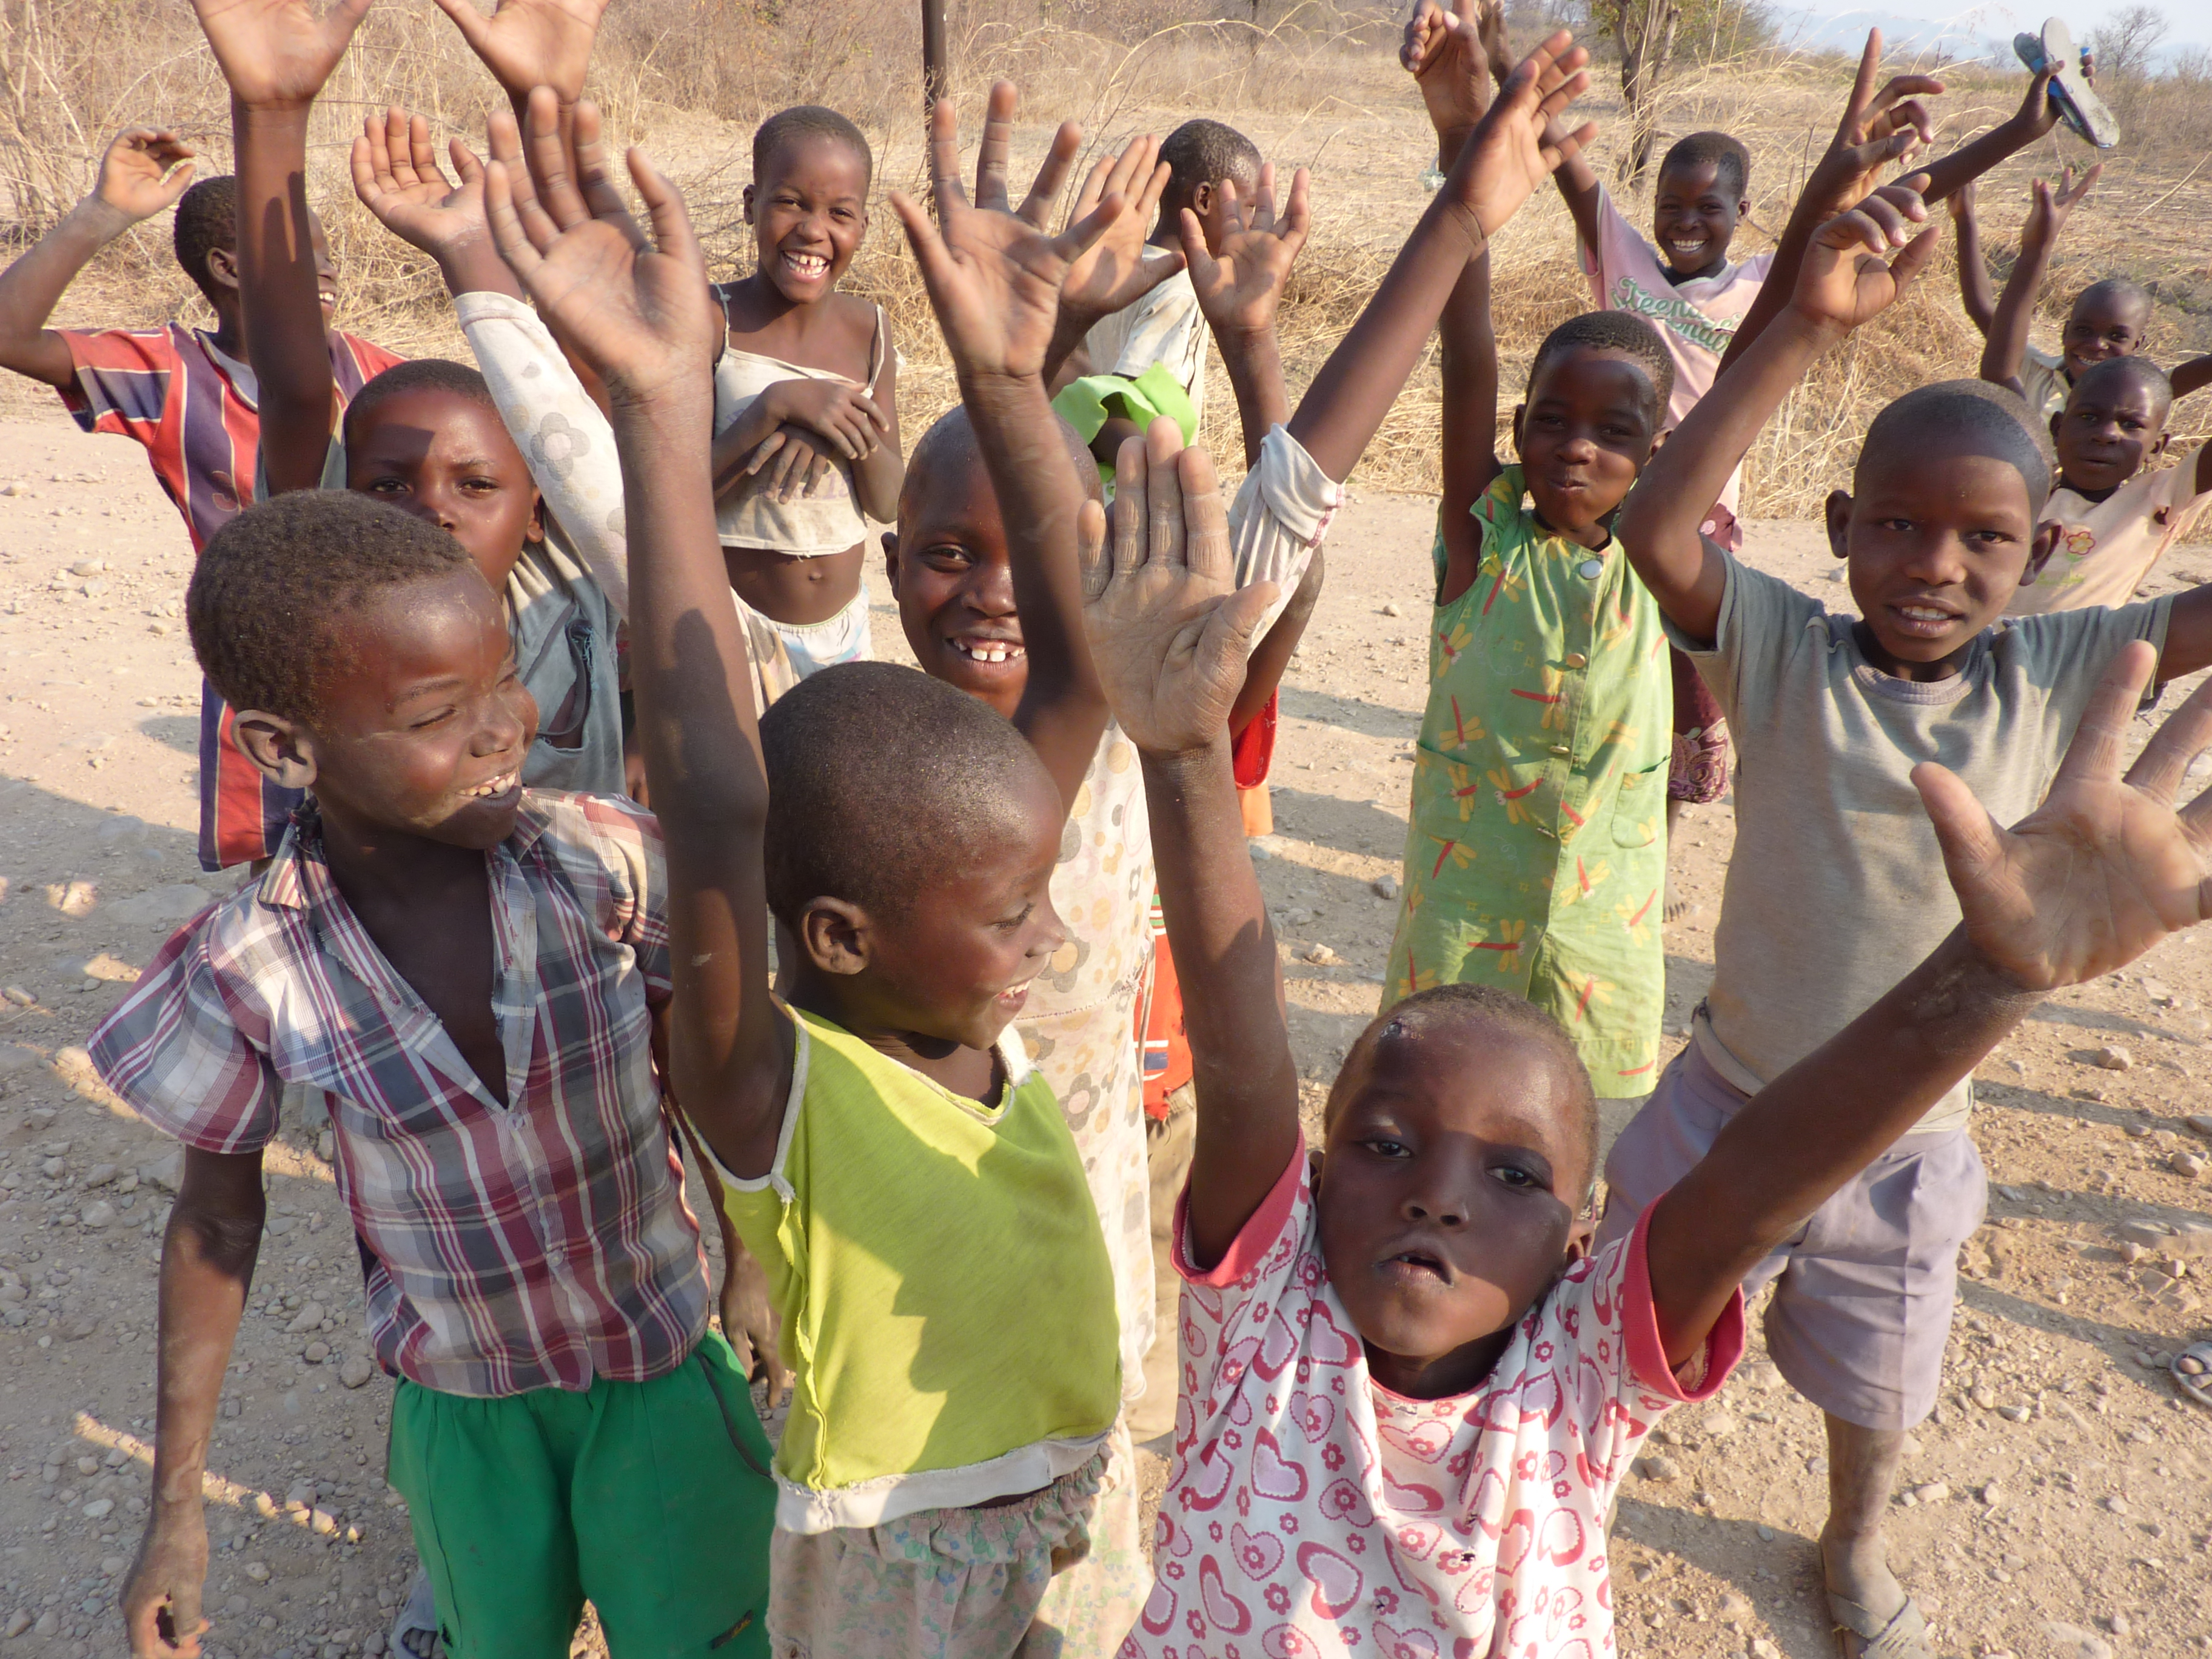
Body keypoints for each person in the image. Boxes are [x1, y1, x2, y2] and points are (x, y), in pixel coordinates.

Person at [1081, 375, 2212, 1657]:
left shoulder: (1585, 1368)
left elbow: (1756, 1179)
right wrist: (1180, 757)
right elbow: (1240, 1053)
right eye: (1386, 1145)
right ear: (1315, 1173)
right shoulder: (1264, 1309)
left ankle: (1854, 1537)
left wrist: (1992, 978)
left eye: (1514, 1174)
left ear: (1583, 1241)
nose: (1437, 1197)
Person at [479, 72, 1171, 1654]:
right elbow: (716, 795)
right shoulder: (770, 1087)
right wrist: (663, 411)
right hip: (889, 1568)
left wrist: (1015, 379)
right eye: (1014, 915)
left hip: (1065, 1497)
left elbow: (1077, 666)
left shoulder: (964, 965)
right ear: (844, 938)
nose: (1045, 938)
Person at [1608, 169, 2212, 1656]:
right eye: (1894, 525)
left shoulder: (2057, 668)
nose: (1933, 566)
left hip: (1913, 1141)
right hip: (1729, 1092)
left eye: (1982, 539)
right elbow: (1659, 524)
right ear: (1840, 526)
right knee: (1622, 1315)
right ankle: (1572, 1473)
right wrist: (1803, 330)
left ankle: (1854, 1533)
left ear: (2039, 552)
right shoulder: (1782, 647)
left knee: (1877, 1387)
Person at [1390, 0, 1674, 1101]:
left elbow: (1752, 365)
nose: (1576, 448)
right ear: (1518, 430)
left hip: (1600, 938)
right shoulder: (1484, 536)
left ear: (1659, 453)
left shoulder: (1664, 557)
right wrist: (1458, 142)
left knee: (1567, 1138)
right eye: (1551, 421)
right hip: (1463, 922)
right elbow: (1466, 352)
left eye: (1614, 432)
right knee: (1438, 1106)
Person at [0, 127, 401, 870]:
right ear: (227, 267)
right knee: (281, 859)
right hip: (260, 653)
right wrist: (100, 214)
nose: (328, 269)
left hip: (385, 646)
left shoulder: (372, 370)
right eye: (305, 253)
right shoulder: (171, 372)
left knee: (392, 843)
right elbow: (9, 334)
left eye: (328, 253)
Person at [708, 102, 902, 707]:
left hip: (841, 635)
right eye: (791, 202)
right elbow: (675, 498)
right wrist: (774, 407)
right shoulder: (713, 321)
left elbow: (888, 501)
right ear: (751, 205)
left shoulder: (871, 330)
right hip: (731, 627)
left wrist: (835, 427)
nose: (814, 230)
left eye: (839, 213)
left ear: (863, 225)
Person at [1050, 117, 1259, 470]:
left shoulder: (1115, 268)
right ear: (1205, 199)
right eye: (1249, 206)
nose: (1251, 222)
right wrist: (1161, 480)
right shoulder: (1185, 292)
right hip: (1129, 486)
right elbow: (1131, 416)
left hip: (1076, 465)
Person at [1960, 169, 2212, 420]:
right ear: (2065, 331)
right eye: (2083, 330)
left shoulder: (2142, 393)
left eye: (2117, 336)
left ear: (2137, 344)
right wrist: (1965, 218)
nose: (2096, 345)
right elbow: (1982, 309)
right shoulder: (2035, 371)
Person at [2008, 355, 2212, 617]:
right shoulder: (2019, 492)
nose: (2106, 434)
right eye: (2089, 417)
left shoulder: (2158, 502)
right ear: (2057, 428)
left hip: (2079, 644)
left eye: (2131, 425)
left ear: (2156, 446)